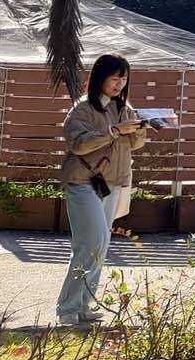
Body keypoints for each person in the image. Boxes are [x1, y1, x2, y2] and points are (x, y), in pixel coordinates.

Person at [58, 53, 149, 326]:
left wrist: (141, 129)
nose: (120, 84)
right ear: (100, 78)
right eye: (114, 78)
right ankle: (67, 308)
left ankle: (84, 305)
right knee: (91, 243)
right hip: (82, 182)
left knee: (100, 246)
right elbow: (77, 144)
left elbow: (134, 145)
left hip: (112, 184)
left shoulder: (124, 108)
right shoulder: (83, 109)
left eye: (124, 79)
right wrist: (113, 131)